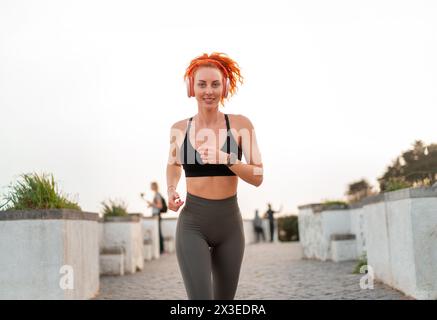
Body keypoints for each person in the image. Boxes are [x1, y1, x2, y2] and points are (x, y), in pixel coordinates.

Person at [166, 52, 263, 300]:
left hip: (229, 224)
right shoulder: (179, 128)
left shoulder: (241, 125)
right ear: (191, 87)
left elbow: (258, 175)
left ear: (225, 87)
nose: (209, 90)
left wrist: (227, 159)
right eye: (202, 84)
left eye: (215, 84)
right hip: (192, 224)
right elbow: (174, 164)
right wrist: (171, 189)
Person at [143, 182, 167, 254]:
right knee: (158, 232)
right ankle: (161, 250)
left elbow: (160, 206)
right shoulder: (156, 195)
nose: (150, 187)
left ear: (154, 186)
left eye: (151, 186)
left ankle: (161, 250)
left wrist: (152, 204)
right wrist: (151, 205)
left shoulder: (157, 195)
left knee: (158, 232)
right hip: (156, 215)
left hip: (157, 215)